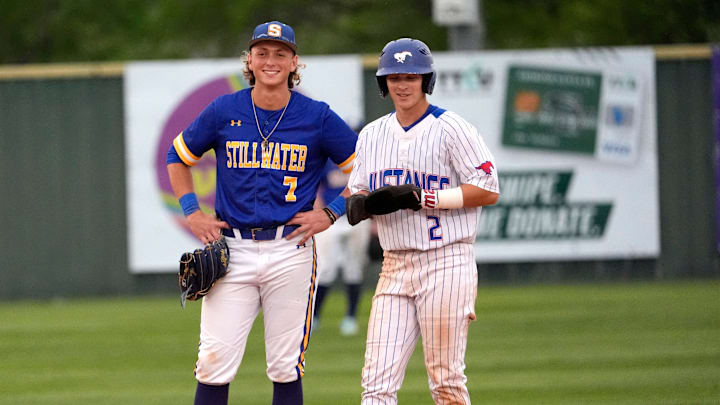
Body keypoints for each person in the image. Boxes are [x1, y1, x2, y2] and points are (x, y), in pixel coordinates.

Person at [166, 21, 357, 405]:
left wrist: (333, 212)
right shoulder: (225, 109)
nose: (271, 60)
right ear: (249, 61)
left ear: (294, 62)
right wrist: (192, 211)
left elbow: (367, 168)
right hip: (232, 250)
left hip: (291, 249)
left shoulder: (316, 116)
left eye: (280, 53)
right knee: (213, 364)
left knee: (286, 366)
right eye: (262, 52)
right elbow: (178, 156)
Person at [347, 38, 500, 404]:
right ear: (383, 83)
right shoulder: (371, 134)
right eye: (394, 77)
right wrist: (363, 206)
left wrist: (424, 198)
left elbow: (488, 189)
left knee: (446, 380)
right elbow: (357, 195)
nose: (402, 84)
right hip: (395, 265)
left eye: (411, 77)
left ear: (425, 80)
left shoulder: (452, 128)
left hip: (446, 260)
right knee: (376, 385)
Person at [312, 160, 371, 336]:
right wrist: (319, 212)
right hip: (330, 218)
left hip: (357, 216)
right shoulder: (327, 157)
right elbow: (315, 185)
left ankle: (351, 317)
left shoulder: (361, 155)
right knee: (325, 269)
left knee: (354, 268)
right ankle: (315, 316)